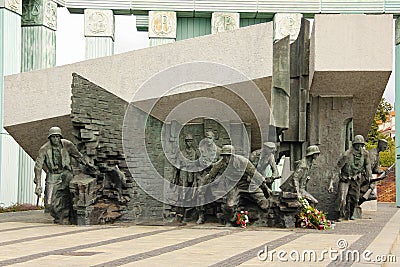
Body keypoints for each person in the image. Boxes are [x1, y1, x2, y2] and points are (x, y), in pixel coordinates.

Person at [34, 126, 90, 224]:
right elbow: (38, 166)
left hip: (66, 173)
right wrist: (38, 184)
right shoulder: (44, 149)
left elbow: (78, 156)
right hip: (53, 175)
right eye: (53, 137)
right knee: (49, 203)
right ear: (50, 138)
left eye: (57, 136)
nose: (56, 139)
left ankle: (67, 217)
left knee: (70, 196)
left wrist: (88, 165)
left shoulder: (67, 144)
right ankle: (58, 217)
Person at [204, 145, 271, 225]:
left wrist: (265, 187)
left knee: (264, 203)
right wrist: (204, 186)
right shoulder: (220, 164)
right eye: (224, 156)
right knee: (230, 206)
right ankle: (234, 221)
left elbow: (255, 174)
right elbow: (211, 175)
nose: (227, 158)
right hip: (234, 186)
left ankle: (264, 219)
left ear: (233, 156)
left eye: (229, 156)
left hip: (247, 184)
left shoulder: (243, 161)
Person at [328, 135, 372, 221]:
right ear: (354, 144)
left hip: (356, 178)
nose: (359, 147)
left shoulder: (365, 154)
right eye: (357, 144)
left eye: (361, 145)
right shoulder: (346, 155)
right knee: (342, 198)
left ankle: (351, 214)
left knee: (355, 198)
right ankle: (341, 215)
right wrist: (331, 183)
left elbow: (367, 165)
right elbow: (337, 168)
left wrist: (369, 176)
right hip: (345, 178)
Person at [196, 130, 221, 224]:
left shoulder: (219, 151)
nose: (208, 140)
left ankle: (220, 213)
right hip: (204, 175)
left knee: (218, 193)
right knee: (200, 194)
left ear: (213, 138)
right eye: (207, 138)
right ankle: (201, 215)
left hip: (215, 176)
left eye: (210, 138)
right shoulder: (201, 150)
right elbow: (198, 164)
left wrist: (212, 165)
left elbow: (222, 164)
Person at [359, 138, 388, 205]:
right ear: (380, 145)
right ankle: (357, 203)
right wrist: (371, 181)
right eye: (384, 146)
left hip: (367, 176)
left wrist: (382, 171)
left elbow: (375, 169)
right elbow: (367, 169)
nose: (385, 148)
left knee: (372, 196)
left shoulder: (378, 155)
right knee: (370, 195)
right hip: (363, 176)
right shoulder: (372, 154)